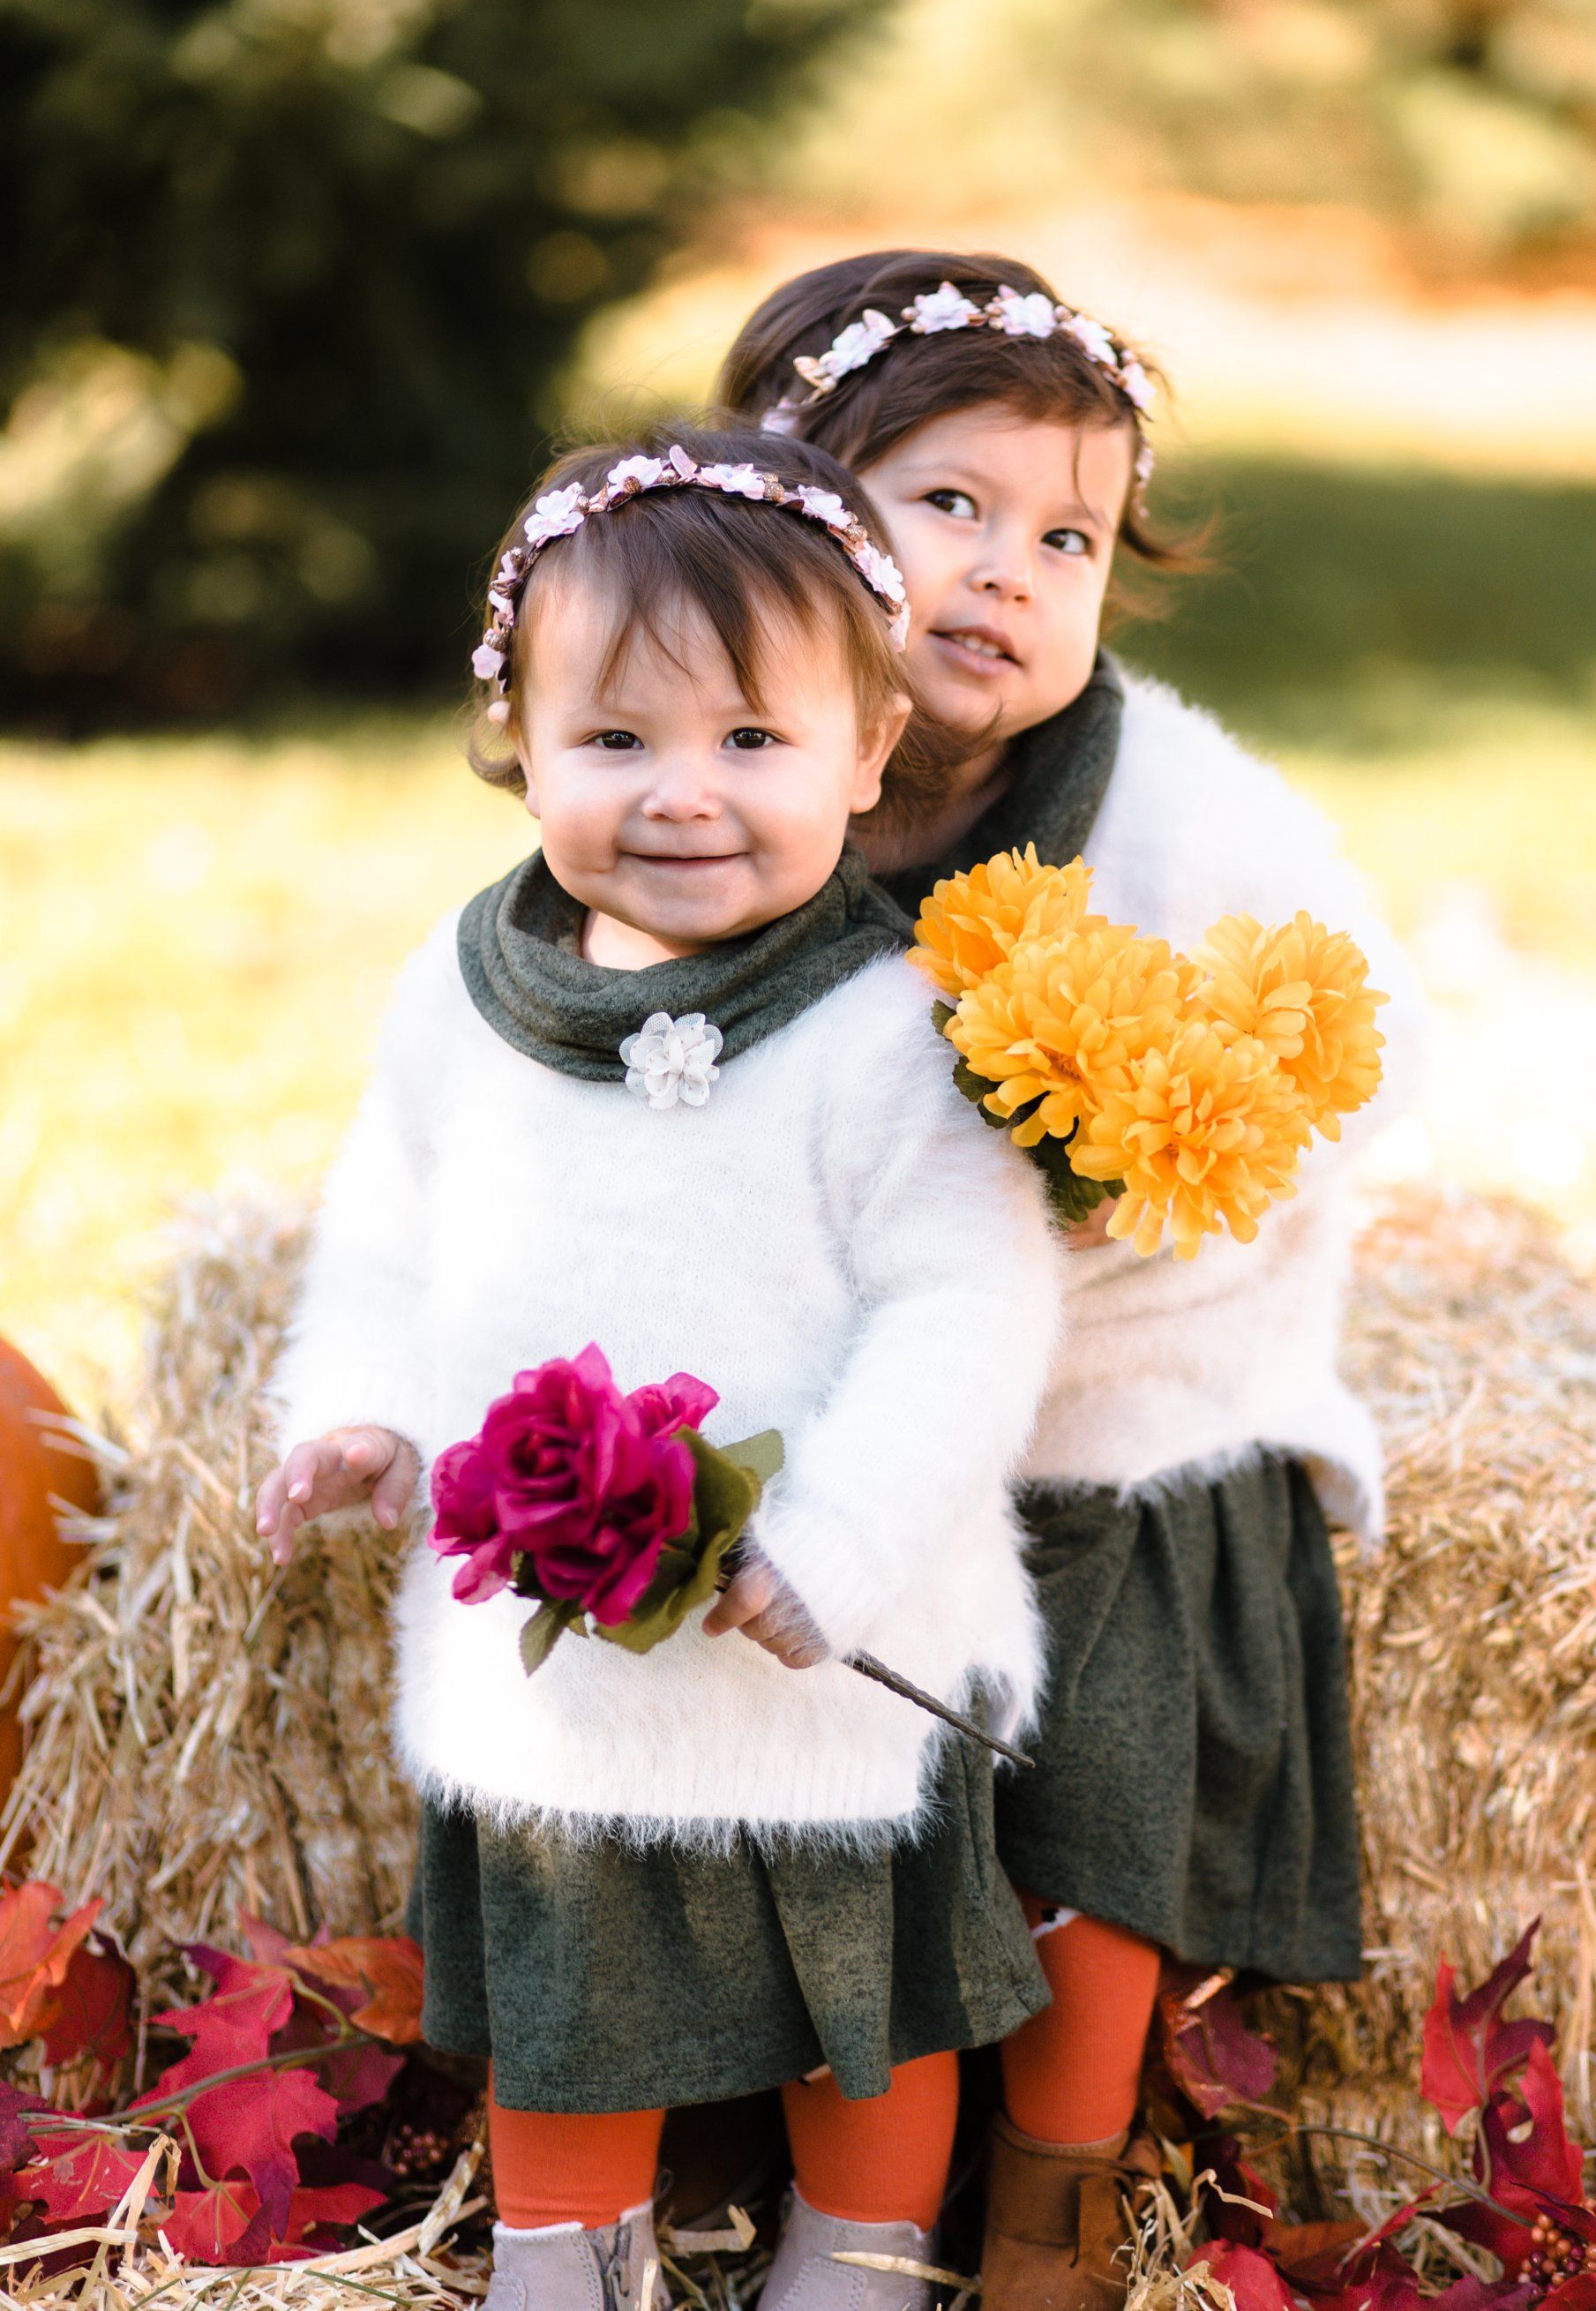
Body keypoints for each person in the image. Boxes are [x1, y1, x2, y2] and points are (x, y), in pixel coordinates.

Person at [255, 426, 1065, 2311]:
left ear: (869, 755)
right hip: (563, 1639)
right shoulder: (465, 991)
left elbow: (969, 1305)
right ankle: (568, 2252)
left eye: (752, 742)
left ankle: (858, 2259)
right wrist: (357, 1402)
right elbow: (389, 1216)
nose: (683, 796)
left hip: (821, 1630)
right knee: (569, 1989)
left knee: (859, 2001)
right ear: (519, 748)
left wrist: (845, 1536)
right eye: (614, 741)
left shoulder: (888, 1028)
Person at [716, 253, 1426, 2309]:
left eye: (1068, 534)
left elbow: (1366, 1065)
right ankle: (793, 2152)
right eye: (948, 504)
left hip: (1120, 1381)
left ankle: (1057, 2177)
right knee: (813, 1714)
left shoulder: (1192, 814)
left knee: (1098, 1742)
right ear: (789, 503)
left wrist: (1172, 1173)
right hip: (839, 1387)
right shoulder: (720, 764)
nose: (1007, 571)